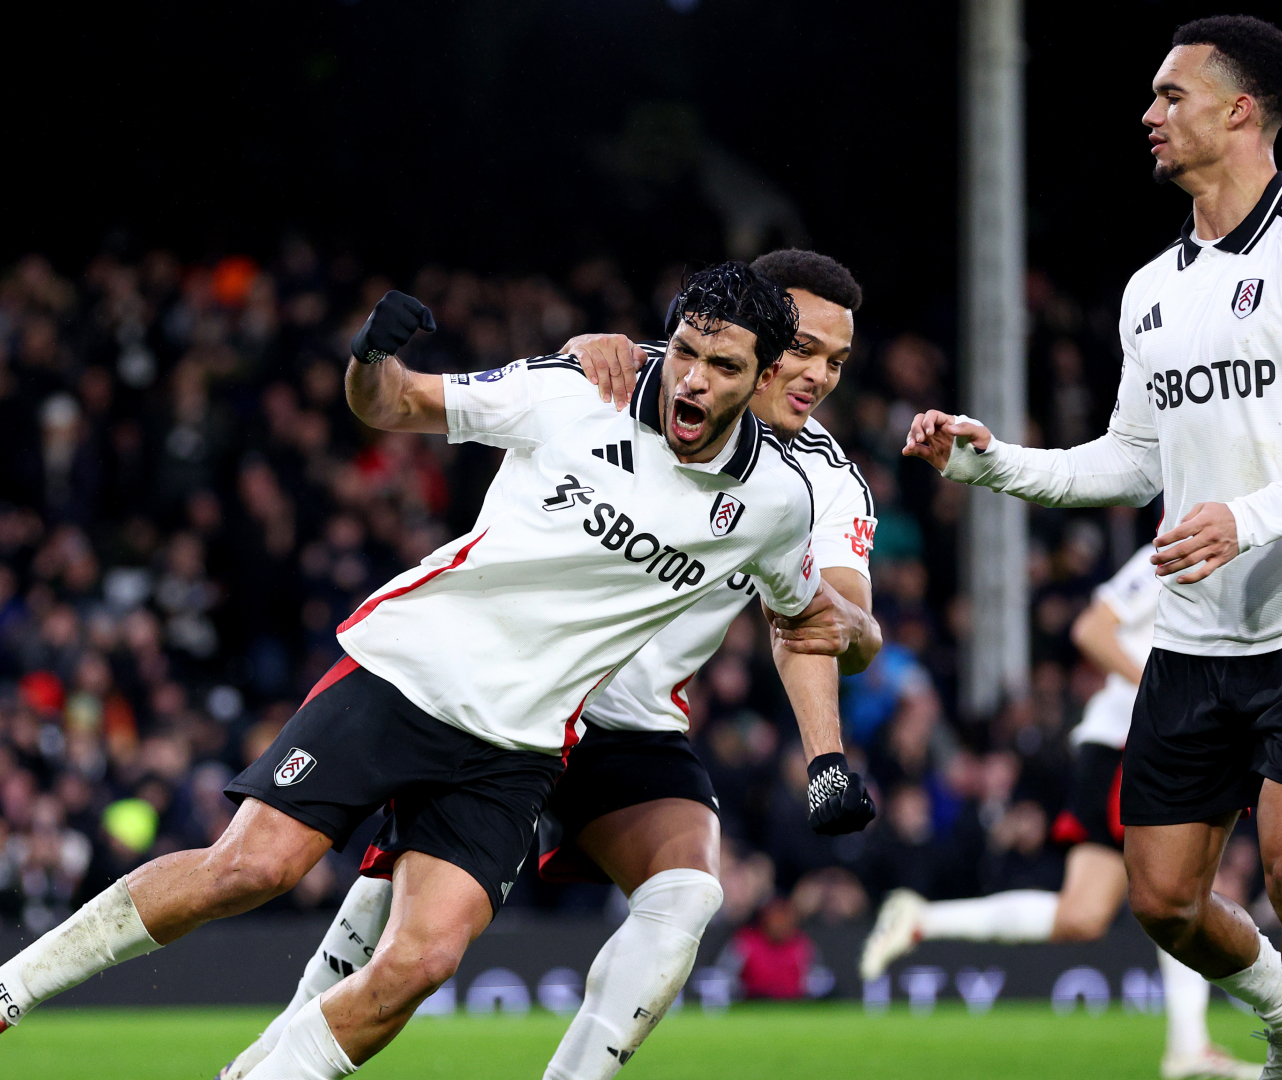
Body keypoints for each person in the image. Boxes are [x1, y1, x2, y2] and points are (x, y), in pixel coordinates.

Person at [0, 261, 875, 1080]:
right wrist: (372, 358)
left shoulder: (778, 504)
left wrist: (848, 669)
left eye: (722, 368)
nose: (694, 383)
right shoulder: (576, 392)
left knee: (421, 961)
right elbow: (391, 404)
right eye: (689, 356)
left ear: (755, 380)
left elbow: (808, 617)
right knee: (251, 868)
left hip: (520, 744)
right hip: (408, 672)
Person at [217, 250, 882, 1080]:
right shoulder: (634, 374)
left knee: (688, 890)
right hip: (509, 690)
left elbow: (822, 622)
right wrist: (580, 350)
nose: (817, 374)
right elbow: (483, 392)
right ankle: (268, 1061)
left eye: (836, 361)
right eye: (805, 348)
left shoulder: (816, 483)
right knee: (394, 914)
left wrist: (828, 749)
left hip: (627, 723)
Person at [902, 17, 1282, 1080]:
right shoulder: (1152, 290)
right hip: (1194, 639)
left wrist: (1251, 515)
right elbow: (1131, 462)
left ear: (1240, 110)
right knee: (1163, 902)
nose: (1149, 113)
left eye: (1171, 94)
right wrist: (989, 462)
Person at [861, 545, 1262, 1080]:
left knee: (1085, 913)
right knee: (1181, 893)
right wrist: (1171, 699)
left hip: (1128, 742)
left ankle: (921, 919)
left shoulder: (1233, 553)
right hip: (1134, 742)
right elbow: (1092, 630)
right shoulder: (1174, 548)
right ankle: (1190, 1045)